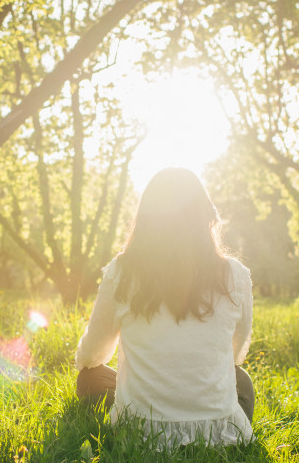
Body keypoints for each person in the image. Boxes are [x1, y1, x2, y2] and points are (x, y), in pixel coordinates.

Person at [74, 168, 255, 448]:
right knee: (241, 379)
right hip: (218, 432)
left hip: (140, 432)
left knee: (89, 378)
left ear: (145, 220)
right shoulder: (236, 275)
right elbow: (236, 354)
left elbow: (93, 355)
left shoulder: (122, 272)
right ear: (205, 216)